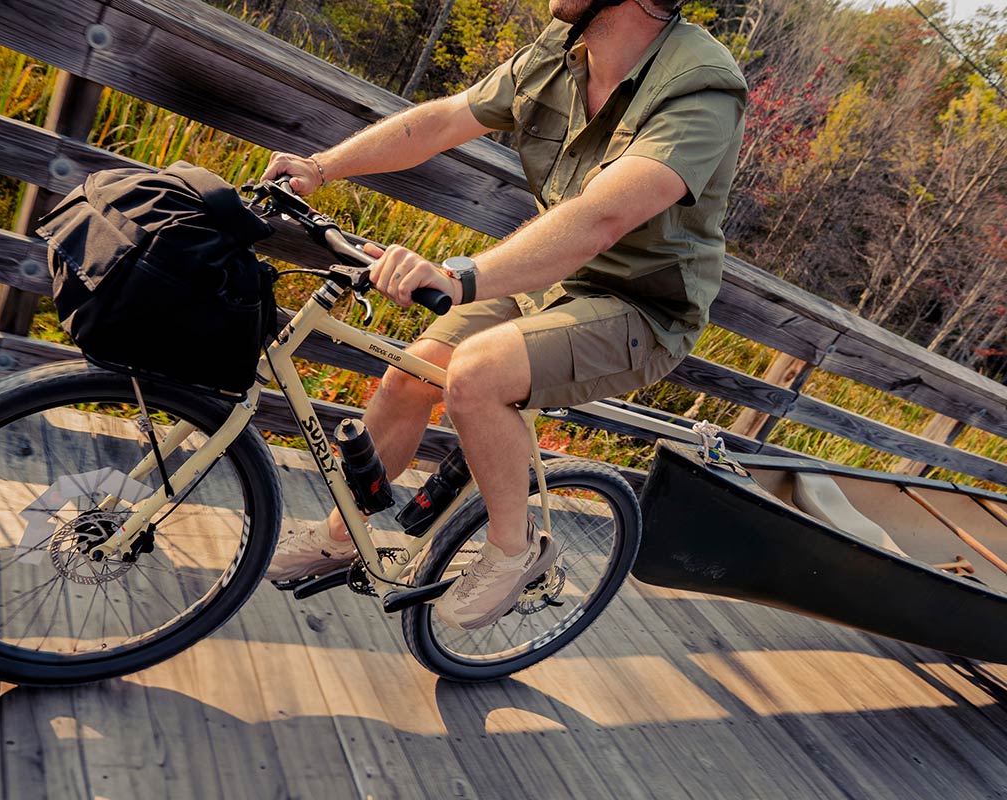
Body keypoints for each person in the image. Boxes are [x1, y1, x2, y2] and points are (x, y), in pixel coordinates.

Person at [260, 0, 747, 630]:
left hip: (639, 309)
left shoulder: (701, 87)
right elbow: (443, 120)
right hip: (545, 277)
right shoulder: (563, 50)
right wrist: (321, 167)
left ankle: (515, 552)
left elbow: (600, 217)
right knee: (412, 373)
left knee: (478, 375)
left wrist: (461, 278)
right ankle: (340, 535)